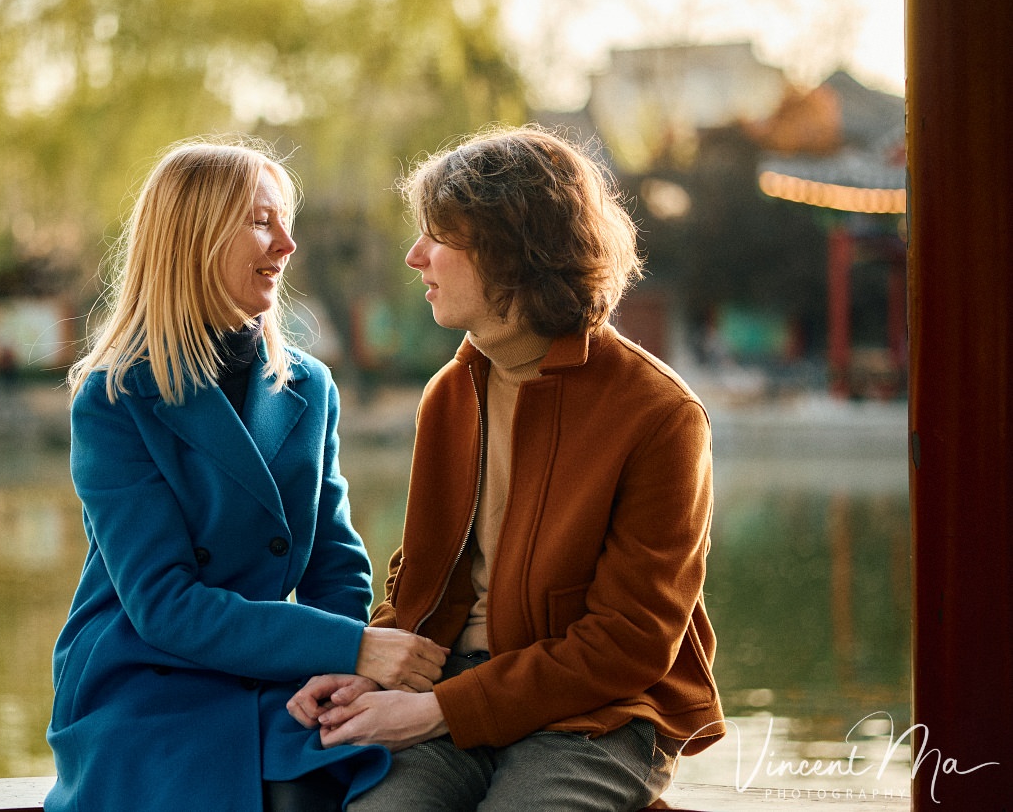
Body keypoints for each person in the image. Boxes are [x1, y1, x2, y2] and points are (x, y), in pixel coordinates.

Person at [288, 125, 725, 811]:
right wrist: (370, 666)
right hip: (448, 682)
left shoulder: (660, 413)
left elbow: (630, 643)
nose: (414, 256)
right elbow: (422, 573)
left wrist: (440, 710)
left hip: (599, 713)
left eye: (439, 236)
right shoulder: (451, 391)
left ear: (511, 253)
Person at [45, 137, 447, 812]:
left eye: (285, 222)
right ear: (194, 240)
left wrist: (338, 671)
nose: (287, 245)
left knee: (324, 782)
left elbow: (335, 563)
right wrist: (353, 646)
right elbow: (163, 604)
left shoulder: (310, 386)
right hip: (143, 675)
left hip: (275, 669)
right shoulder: (115, 397)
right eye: (263, 222)